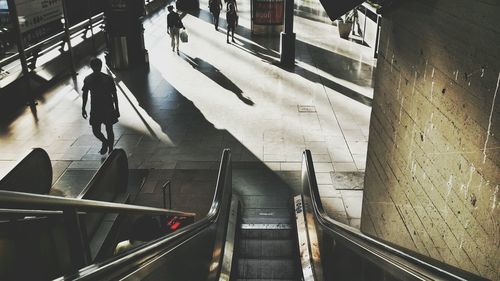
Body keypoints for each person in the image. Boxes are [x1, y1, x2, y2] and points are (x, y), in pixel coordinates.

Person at [81, 58, 119, 155]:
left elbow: (85, 94)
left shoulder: (88, 79)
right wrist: (117, 109)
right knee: (108, 129)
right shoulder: (107, 79)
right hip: (107, 106)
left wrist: (83, 108)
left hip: (96, 107)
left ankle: (107, 145)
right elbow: (114, 95)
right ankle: (108, 145)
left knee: (97, 130)